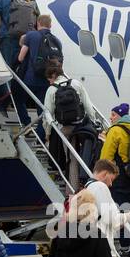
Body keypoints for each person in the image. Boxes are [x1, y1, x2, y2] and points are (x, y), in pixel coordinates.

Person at [42, 59, 97, 189]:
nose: (49, 81)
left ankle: (72, 189)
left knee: (71, 159)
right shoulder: (76, 83)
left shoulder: (51, 89)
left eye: (49, 79)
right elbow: (88, 106)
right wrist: (93, 122)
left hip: (65, 129)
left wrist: (48, 133)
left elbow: (47, 114)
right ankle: (89, 182)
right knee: (87, 153)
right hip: (81, 126)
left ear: (53, 76)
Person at [100, 103, 130, 208]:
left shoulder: (115, 130)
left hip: (119, 178)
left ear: (121, 116)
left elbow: (106, 157)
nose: (110, 117)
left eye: (113, 115)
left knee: (119, 210)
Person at [17, 13, 62, 112]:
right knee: (42, 108)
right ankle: (40, 128)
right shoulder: (57, 41)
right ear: (50, 26)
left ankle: (26, 122)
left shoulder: (31, 35)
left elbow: (20, 58)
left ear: (38, 23)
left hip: (30, 79)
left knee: (18, 100)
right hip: (47, 80)